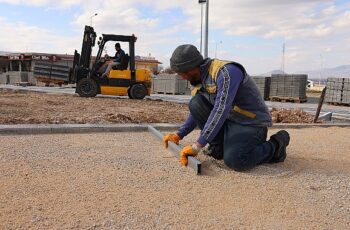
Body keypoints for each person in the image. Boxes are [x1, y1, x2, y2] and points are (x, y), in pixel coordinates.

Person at [163, 44, 290, 171]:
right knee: (195, 103)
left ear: (190, 68)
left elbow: (220, 109)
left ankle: (276, 146)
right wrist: (179, 134)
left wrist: (198, 145)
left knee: (236, 160)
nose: (181, 77)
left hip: (250, 123)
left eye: (181, 73)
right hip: (230, 120)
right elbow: (196, 111)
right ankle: (218, 147)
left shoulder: (226, 73)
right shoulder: (199, 79)